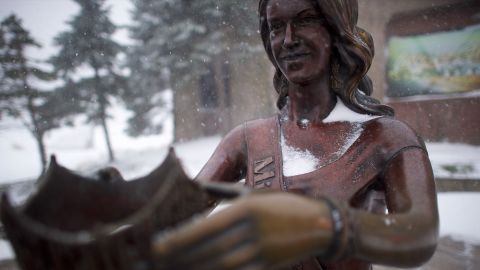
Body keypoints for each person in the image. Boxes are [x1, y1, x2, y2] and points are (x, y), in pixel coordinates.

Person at [153, 0, 439, 269]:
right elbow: (178, 213)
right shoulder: (248, 139)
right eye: (276, 27)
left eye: (306, 21)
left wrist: (321, 226)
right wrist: (126, 218)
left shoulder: (386, 138)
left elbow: (419, 235)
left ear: (336, 29)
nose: (288, 39)